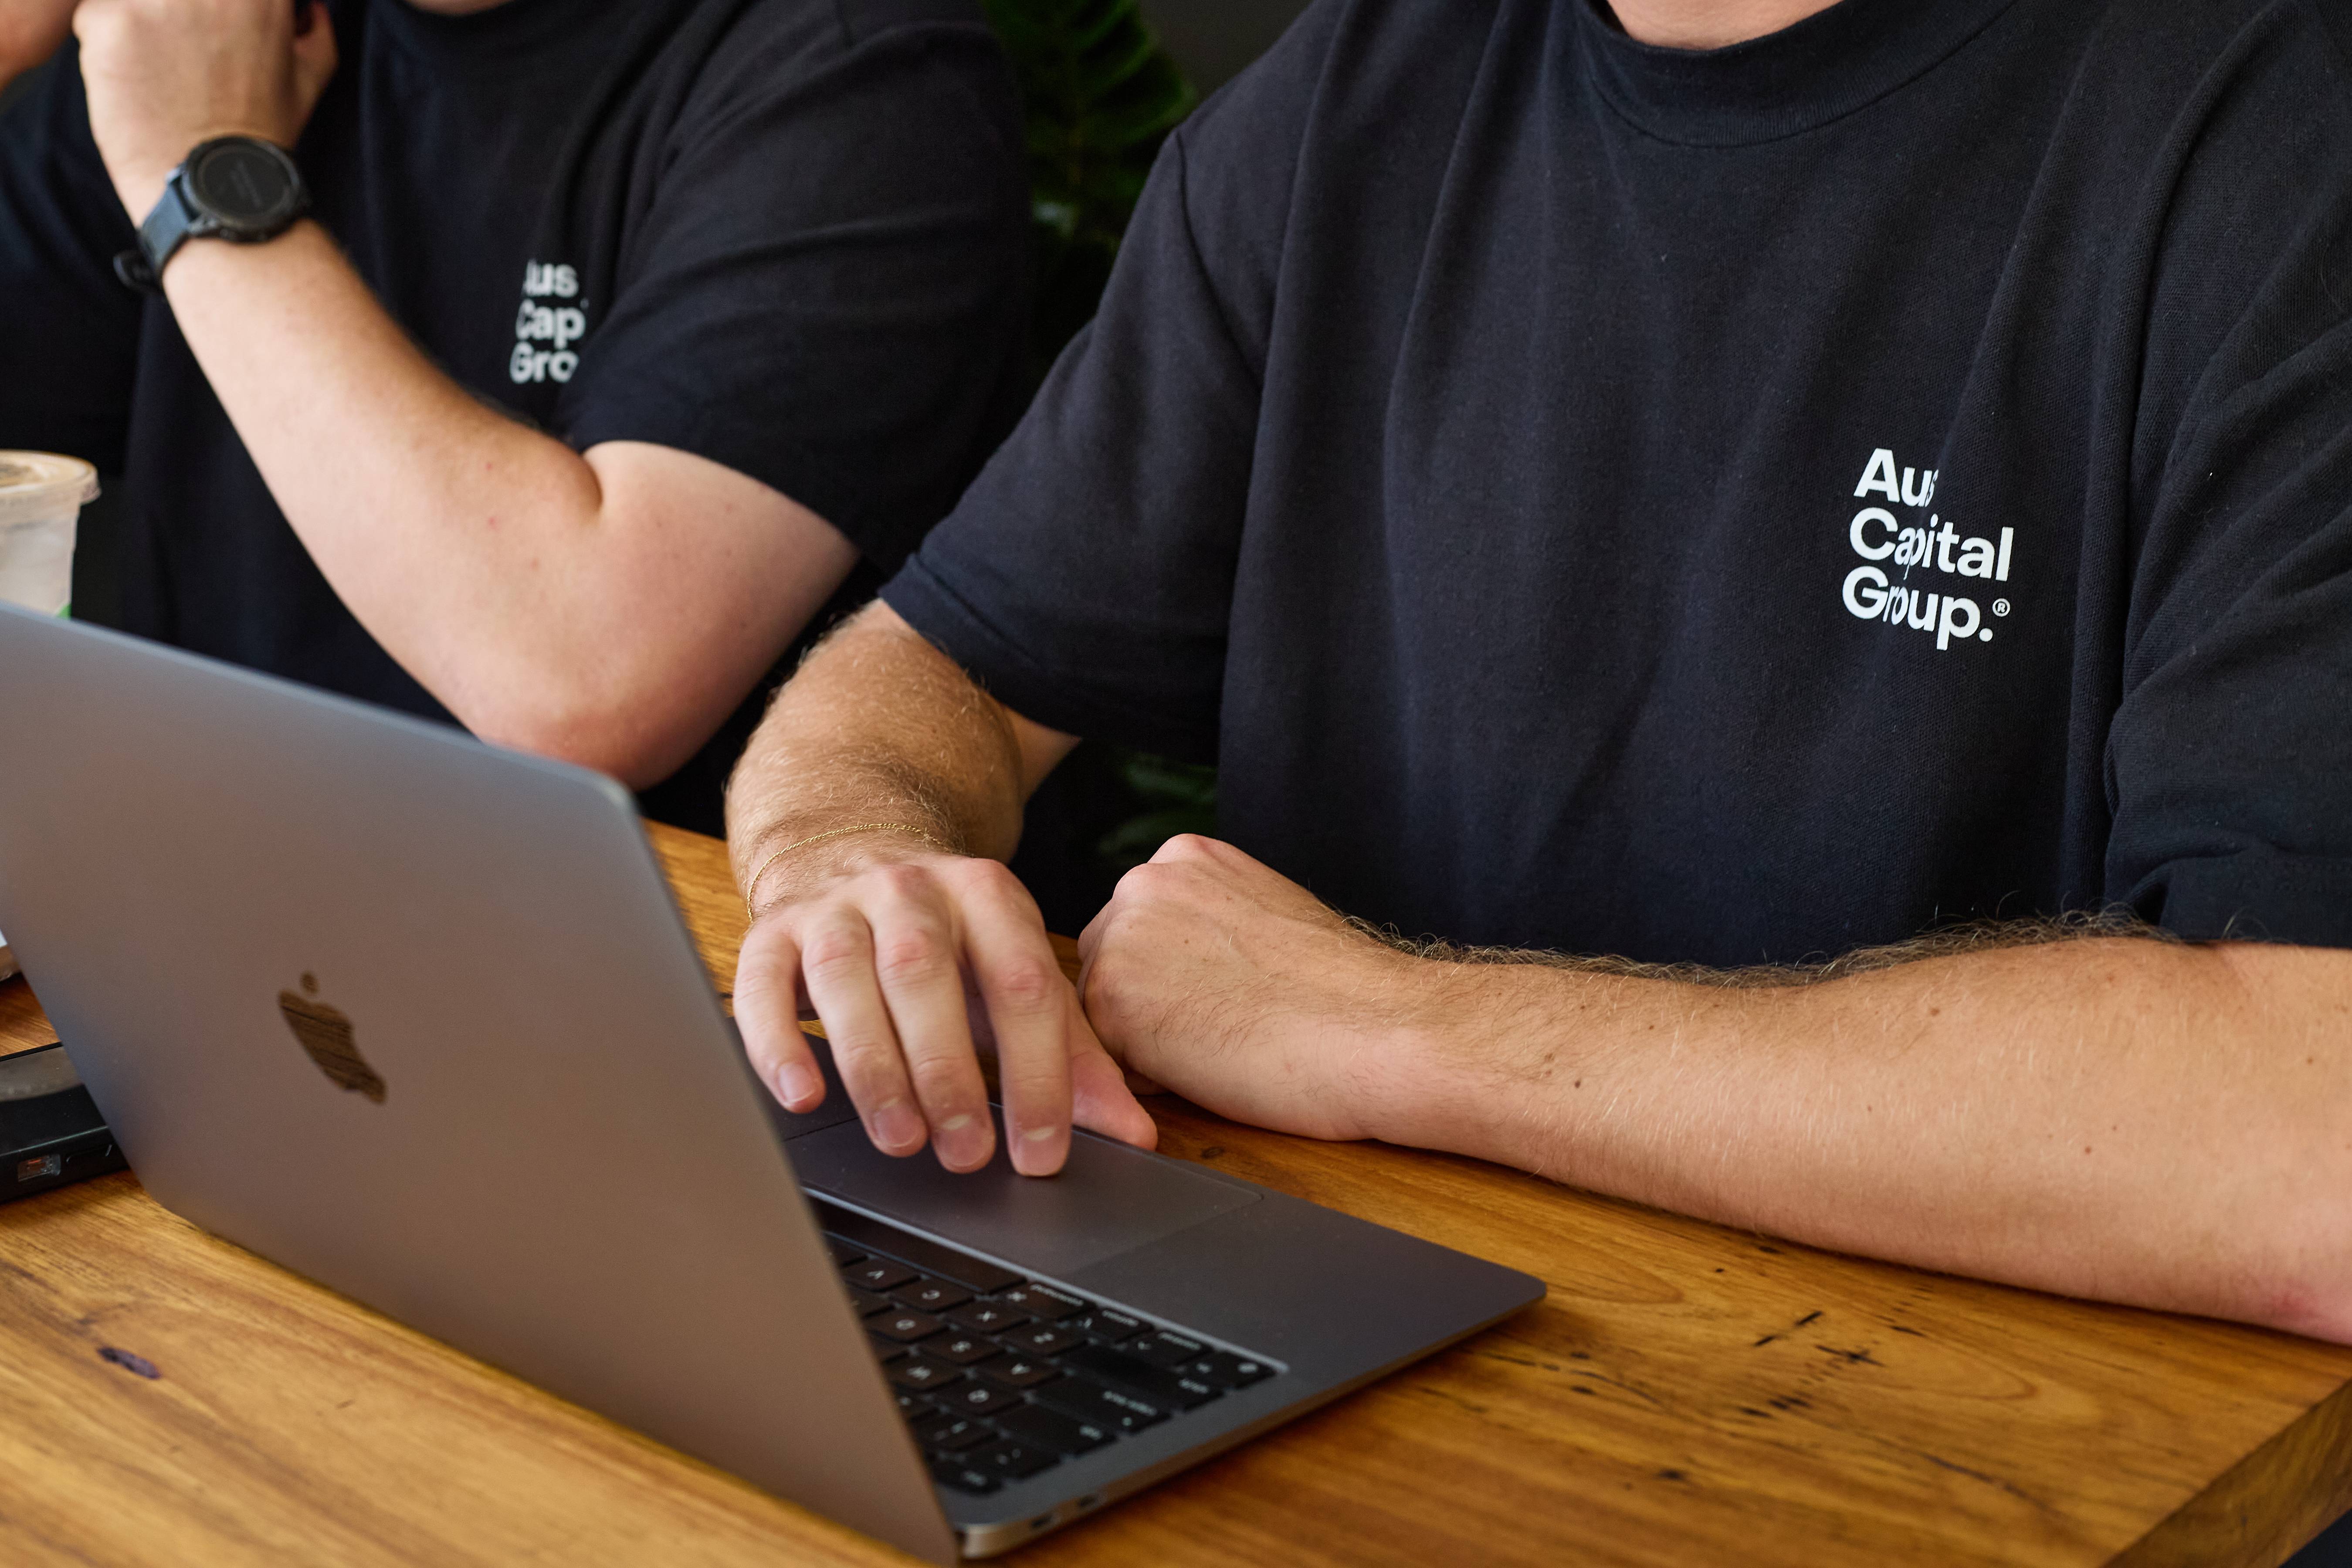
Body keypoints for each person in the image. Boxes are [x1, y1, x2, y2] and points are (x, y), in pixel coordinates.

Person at [722, 0, 2352, 1343]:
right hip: (1366, 1372)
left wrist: (1385, 1024)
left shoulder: (2273, 127)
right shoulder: (1356, 93)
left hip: (1979, 1443)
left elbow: (2308, 1143)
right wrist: (848, 857)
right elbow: (927, 667)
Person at [0, 0, 1027, 833]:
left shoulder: (858, 77)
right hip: (233, 967)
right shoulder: (209, 35)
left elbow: (580, 683)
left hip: (670, 1020)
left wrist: (202, 179)